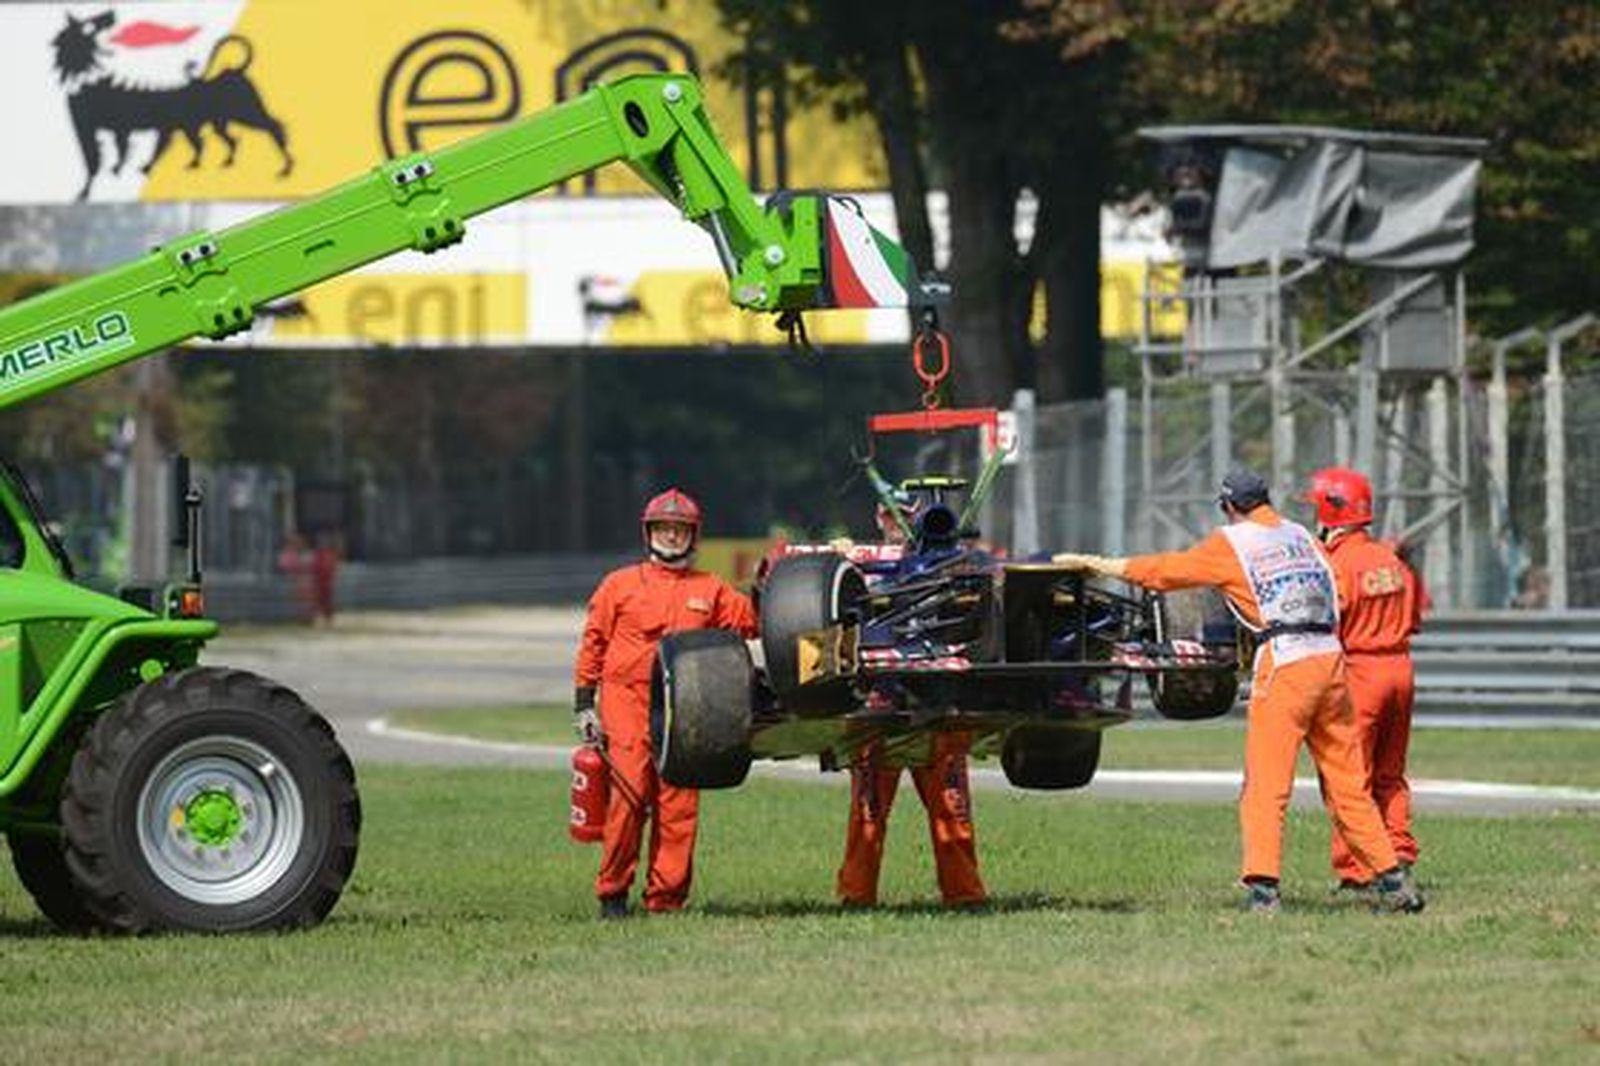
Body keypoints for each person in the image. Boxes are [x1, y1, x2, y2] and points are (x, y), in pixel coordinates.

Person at [1053, 468, 1423, 915]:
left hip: (1286, 664)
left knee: (1266, 785)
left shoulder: (1232, 542)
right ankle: (1394, 882)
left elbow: (1165, 572)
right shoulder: (1303, 536)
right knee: (1350, 785)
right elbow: (1336, 593)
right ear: (1265, 500)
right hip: (1331, 662)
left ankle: (1263, 890)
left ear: (1229, 506)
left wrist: (1099, 564)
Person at [572, 488, 757, 919]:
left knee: (679, 804)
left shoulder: (710, 589)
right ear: (649, 533)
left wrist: (773, 584)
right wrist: (584, 704)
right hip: (627, 703)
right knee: (629, 796)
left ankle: (666, 900)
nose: (671, 536)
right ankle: (612, 894)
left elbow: (753, 621)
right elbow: (593, 644)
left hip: (687, 709)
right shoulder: (618, 584)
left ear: (693, 536)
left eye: (680, 529)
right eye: (664, 528)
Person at [835, 489, 988, 910]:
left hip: (939, 704)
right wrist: (840, 559)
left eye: (901, 515)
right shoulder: (857, 565)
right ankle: (856, 896)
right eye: (887, 515)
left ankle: (965, 895)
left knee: (952, 808)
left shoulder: (950, 562)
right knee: (868, 812)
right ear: (877, 518)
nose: (894, 523)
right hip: (879, 706)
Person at [1304, 467, 1423, 890]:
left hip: (1360, 673)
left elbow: (1325, 624)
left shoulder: (1337, 565)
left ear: (1329, 511)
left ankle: (1357, 869)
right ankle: (1399, 851)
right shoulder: (1392, 559)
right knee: (1390, 774)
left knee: (1349, 778)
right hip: (1401, 670)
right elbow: (1415, 617)